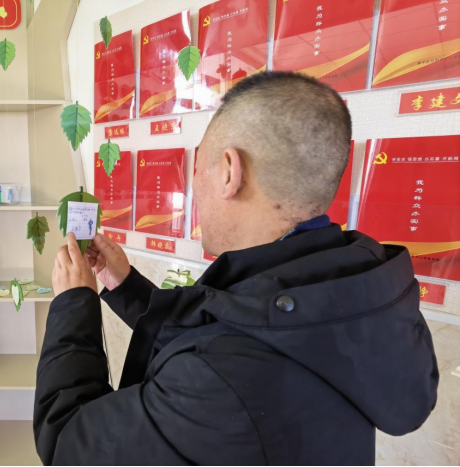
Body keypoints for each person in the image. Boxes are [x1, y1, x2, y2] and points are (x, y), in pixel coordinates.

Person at [33, 72, 439, 466]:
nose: (195, 190)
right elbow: (223, 324)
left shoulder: (216, 374)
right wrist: (123, 286)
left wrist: (73, 303)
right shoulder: (355, 289)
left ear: (230, 171)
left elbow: (68, 439)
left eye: (197, 170)